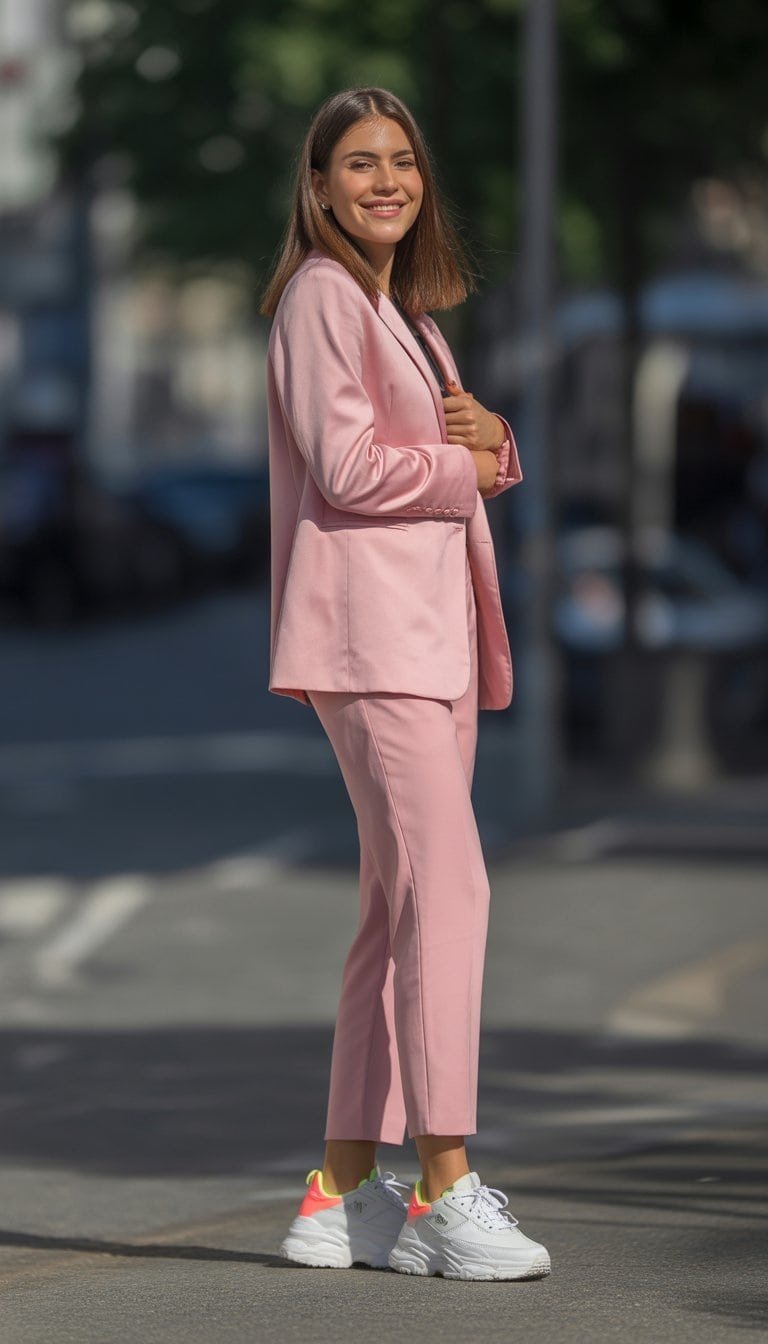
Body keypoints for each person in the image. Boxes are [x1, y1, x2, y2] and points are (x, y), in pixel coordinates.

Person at [259, 86, 550, 1282]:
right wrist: (464, 465)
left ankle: (338, 1196)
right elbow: (347, 466)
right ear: (318, 186)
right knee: (449, 888)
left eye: (403, 162)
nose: (387, 181)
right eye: (359, 163)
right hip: (373, 639)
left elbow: (454, 453)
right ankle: (442, 1184)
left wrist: (494, 444)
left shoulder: (405, 313)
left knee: (398, 909)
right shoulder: (322, 296)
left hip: (429, 641)